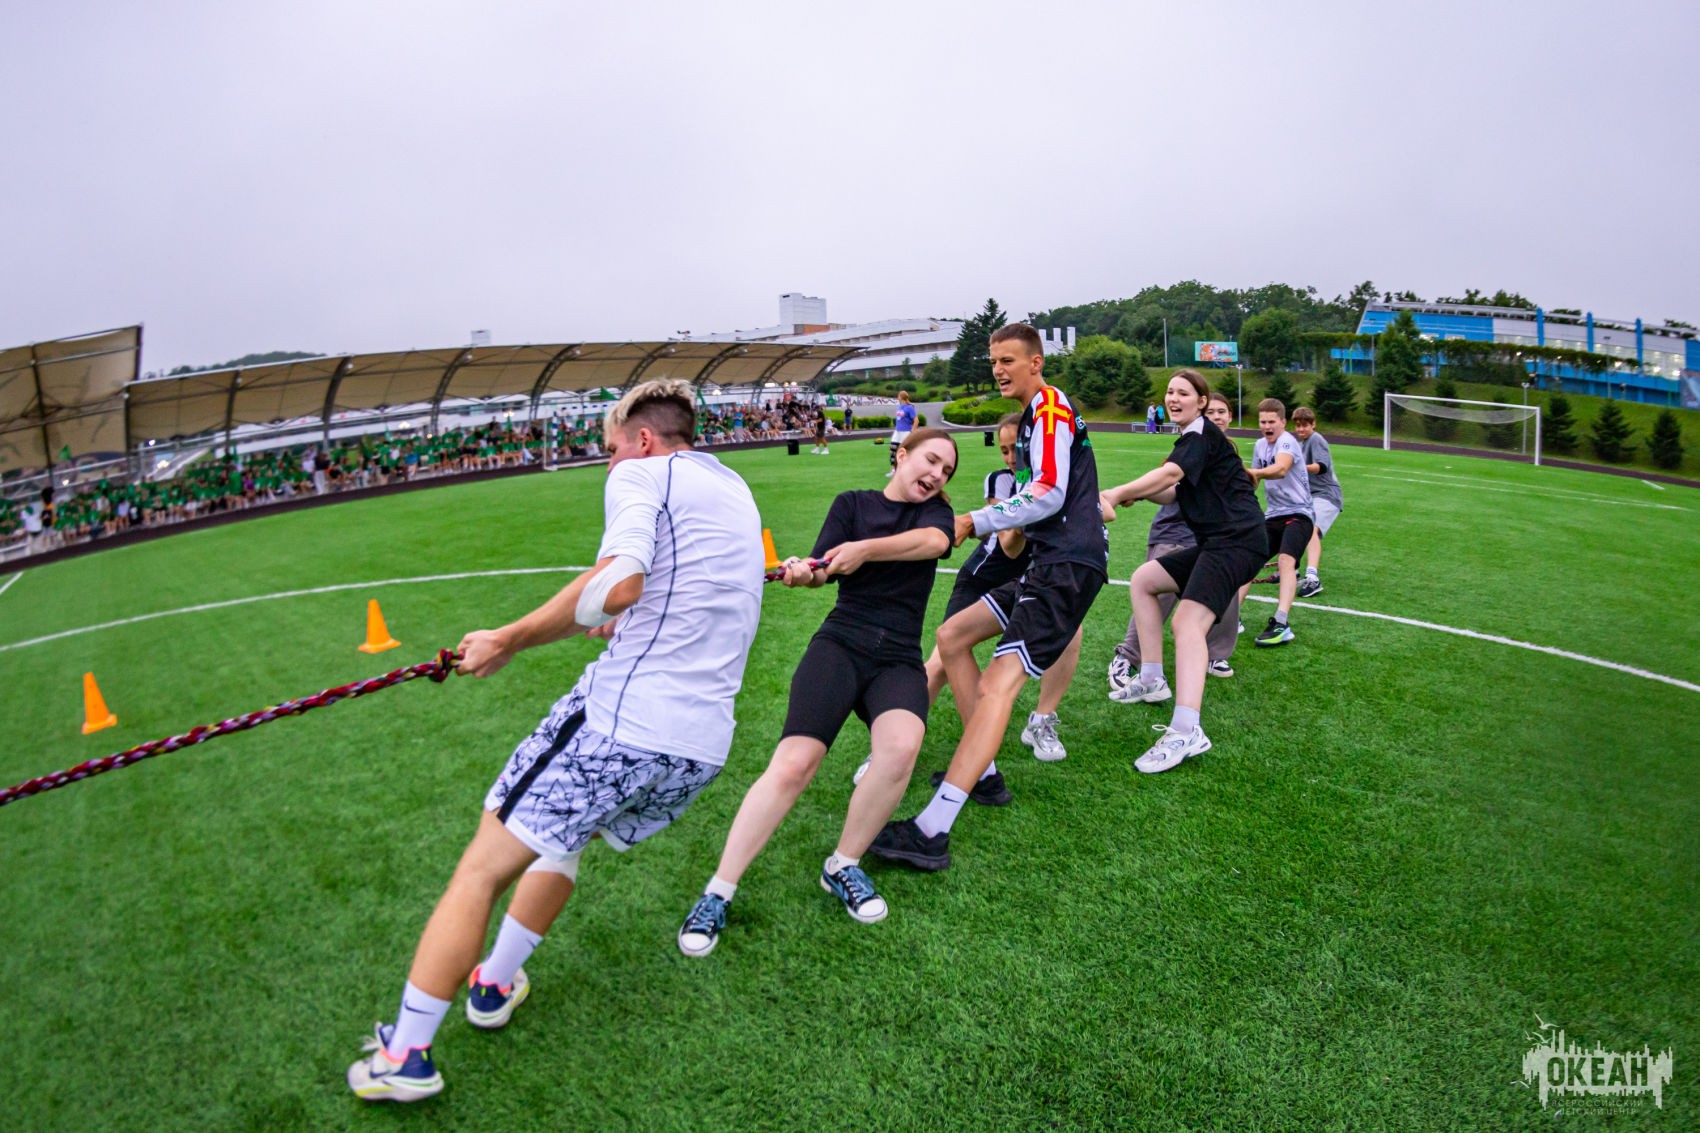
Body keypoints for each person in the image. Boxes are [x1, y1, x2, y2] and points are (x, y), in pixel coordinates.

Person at [345, 379, 764, 1104]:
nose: (610, 465)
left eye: (611, 451)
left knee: (481, 869)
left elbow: (621, 581)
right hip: (698, 747)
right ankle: (494, 983)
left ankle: (405, 1054)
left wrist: (508, 637)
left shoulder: (641, 472)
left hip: (623, 721)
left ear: (641, 439)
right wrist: (615, 610)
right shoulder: (732, 488)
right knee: (563, 838)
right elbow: (666, 589)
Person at [676, 429, 959, 956]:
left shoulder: (936, 515)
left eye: (946, 471)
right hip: (841, 645)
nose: (937, 475)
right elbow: (820, 572)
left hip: (898, 657)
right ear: (902, 455)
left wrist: (863, 550)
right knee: (793, 764)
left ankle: (843, 864)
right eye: (931, 460)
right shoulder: (852, 504)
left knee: (901, 748)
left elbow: (934, 545)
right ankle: (718, 890)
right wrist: (804, 572)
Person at [870, 324, 1106, 871]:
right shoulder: (1035, 415)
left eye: (1008, 360)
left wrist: (973, 520)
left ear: (1036, 363)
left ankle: (932, 830)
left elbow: (1048, 491)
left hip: (1066, 567)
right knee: (952, 636)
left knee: (999, 682)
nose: (998, 370)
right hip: (1049, 563)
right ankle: (986, 773)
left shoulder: (1049, 407)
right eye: (993, 361)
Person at [1100, 369, 1266, 774]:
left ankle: (1187, 730)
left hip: (1238, 541)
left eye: (1184, 393)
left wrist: (1118, 492)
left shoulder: (1200, 434)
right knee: (1145, 580)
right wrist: (1140, 494)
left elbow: (1171, 474)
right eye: (1170, 392)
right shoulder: (1192, 439)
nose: (1173, 398)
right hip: (1218, 542)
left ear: (1201, 402)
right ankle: (1152, 678)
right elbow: (1175, 491)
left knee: (1187, 623)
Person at [1107, 390, 1243, 694]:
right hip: (1174, 532)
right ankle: (1128, 655)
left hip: (1210, 536)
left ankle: (1215, 653)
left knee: (1226, 580)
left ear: (1229, 417)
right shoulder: (1190, 445)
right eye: (1211, 413)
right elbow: (1167, 482)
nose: (1216, 418)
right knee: (1156, 585)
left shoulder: (1226, 452)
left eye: (1221, 412)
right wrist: (1131, 492)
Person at [1243, 398, 1313, 647]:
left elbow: (1281, 468)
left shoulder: (1287, 441)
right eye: (1262, 422)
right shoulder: (1260, 445)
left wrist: (1253, 472)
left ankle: (1281, 623)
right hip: (1273, 516)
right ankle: (1230, 618)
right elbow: (1253, 482)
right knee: (1246, 559)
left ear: (1283, 422)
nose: (1266, 426)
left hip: (1299, 514)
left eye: (1271, 421)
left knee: (1286, 560)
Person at [1290, 406, 1341, 598]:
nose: (1301, 429)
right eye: (1298, 426)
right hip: (1310, 497)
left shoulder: (1316, 439)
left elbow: (1321, 466)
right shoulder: (1300, 444)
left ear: (1313, 425)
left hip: (1327, 495)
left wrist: (1298, 466)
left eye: (1305, 425)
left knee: (1311, 530)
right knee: (1294, 526)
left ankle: (1313, 578)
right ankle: (1291, 570)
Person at [888, 390, 916, 476]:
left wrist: (912, 431)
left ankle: (907, 469)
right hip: (898, 432)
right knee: (892, 450)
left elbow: (916, 420)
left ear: (902, 397)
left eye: (898, 396)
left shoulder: (910, 408)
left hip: (906, 432)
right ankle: (893, 470)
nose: (897, 397)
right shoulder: (900, 406)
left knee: (905, 451)